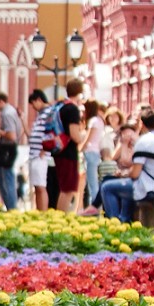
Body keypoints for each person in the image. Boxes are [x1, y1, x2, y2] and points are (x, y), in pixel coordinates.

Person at [100, 108, 154, 223]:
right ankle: (125, 220)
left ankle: (114, 224)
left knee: (107, 187)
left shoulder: (143, 142)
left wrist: (123, 174)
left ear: (141, 123)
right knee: (127, 186)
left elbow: (134, 173)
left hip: (146, 188)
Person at [52, 79, 86, 213]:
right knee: (68, 189)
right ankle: (61, 218)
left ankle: (61, 216)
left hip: (60, 150)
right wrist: (83, 135)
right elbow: (75, 135)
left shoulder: (61, 106)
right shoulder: (72, 109)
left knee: (65, 188)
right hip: (68, 152)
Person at [0, 92, 22, 210]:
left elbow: (12, 135)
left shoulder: (7, 114)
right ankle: (9, 206)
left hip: (7, 149)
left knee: (6, 181)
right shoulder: (11, 111)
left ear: (0, 101)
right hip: (8, 148)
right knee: (2, 182)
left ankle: (11, 208)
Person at [26, 90, 52, 211]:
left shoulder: (48, 113)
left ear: (39, 100)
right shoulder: (40, 115)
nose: (33, 107)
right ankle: (39, 210)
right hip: (34, 154)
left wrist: (45, 149)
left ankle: (43, 211)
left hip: (40, 155)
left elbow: (51, 131)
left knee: (41, 186)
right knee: (37, 186)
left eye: (33, 103)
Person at [82, 98, 105, 210]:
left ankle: (94, 208)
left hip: (90, 152)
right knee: (93, 182)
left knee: (92, 184)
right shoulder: (100, 120)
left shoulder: (93, 121)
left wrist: (80, 148)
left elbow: (88, 138)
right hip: (96, 152)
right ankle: (95, 207)